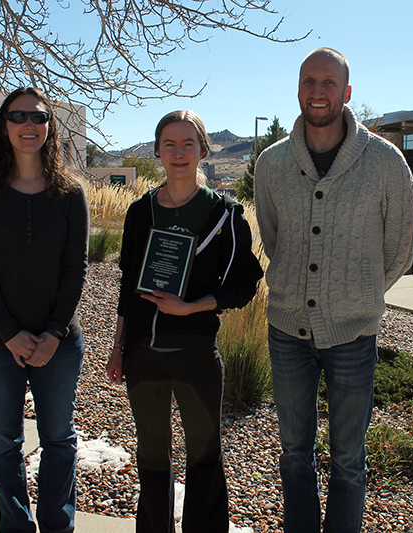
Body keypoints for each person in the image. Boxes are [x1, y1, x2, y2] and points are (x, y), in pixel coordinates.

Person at [254, 48, 413, 533]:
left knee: (349, 458)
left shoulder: (386, 163)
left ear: (346, 93)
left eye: (329, 82)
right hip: (286, 330)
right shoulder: (272, 163)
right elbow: (273, 236)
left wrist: (357, 294)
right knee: (293, 452)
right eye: (309, 81)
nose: (318, 90)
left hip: (354, 334)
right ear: (299, 89)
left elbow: (400, 249)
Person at [106, 110, 263, 533]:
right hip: (143, 355)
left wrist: (191, 307)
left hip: (195, 356)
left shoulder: (224, 215)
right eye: (169, 144)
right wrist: (118, 346)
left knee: (204, 457)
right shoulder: (140, 211)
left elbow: (244, 283)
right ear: (157, 150)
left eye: (188, 144)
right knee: (152, 457)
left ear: (203, 150)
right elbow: (127, 282)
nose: (179, 153)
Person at [0, 87, 89, 532]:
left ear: (51, 127)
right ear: (3, 126)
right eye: (18, 117)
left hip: (60, 343)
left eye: (38, 117)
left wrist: (54, 332)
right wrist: (10, 333)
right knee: (4, 441)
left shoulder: (70, 192)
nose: (28, 125)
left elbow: (77, 267)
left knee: (59, 439)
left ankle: (58, 526)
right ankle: (16, 526)